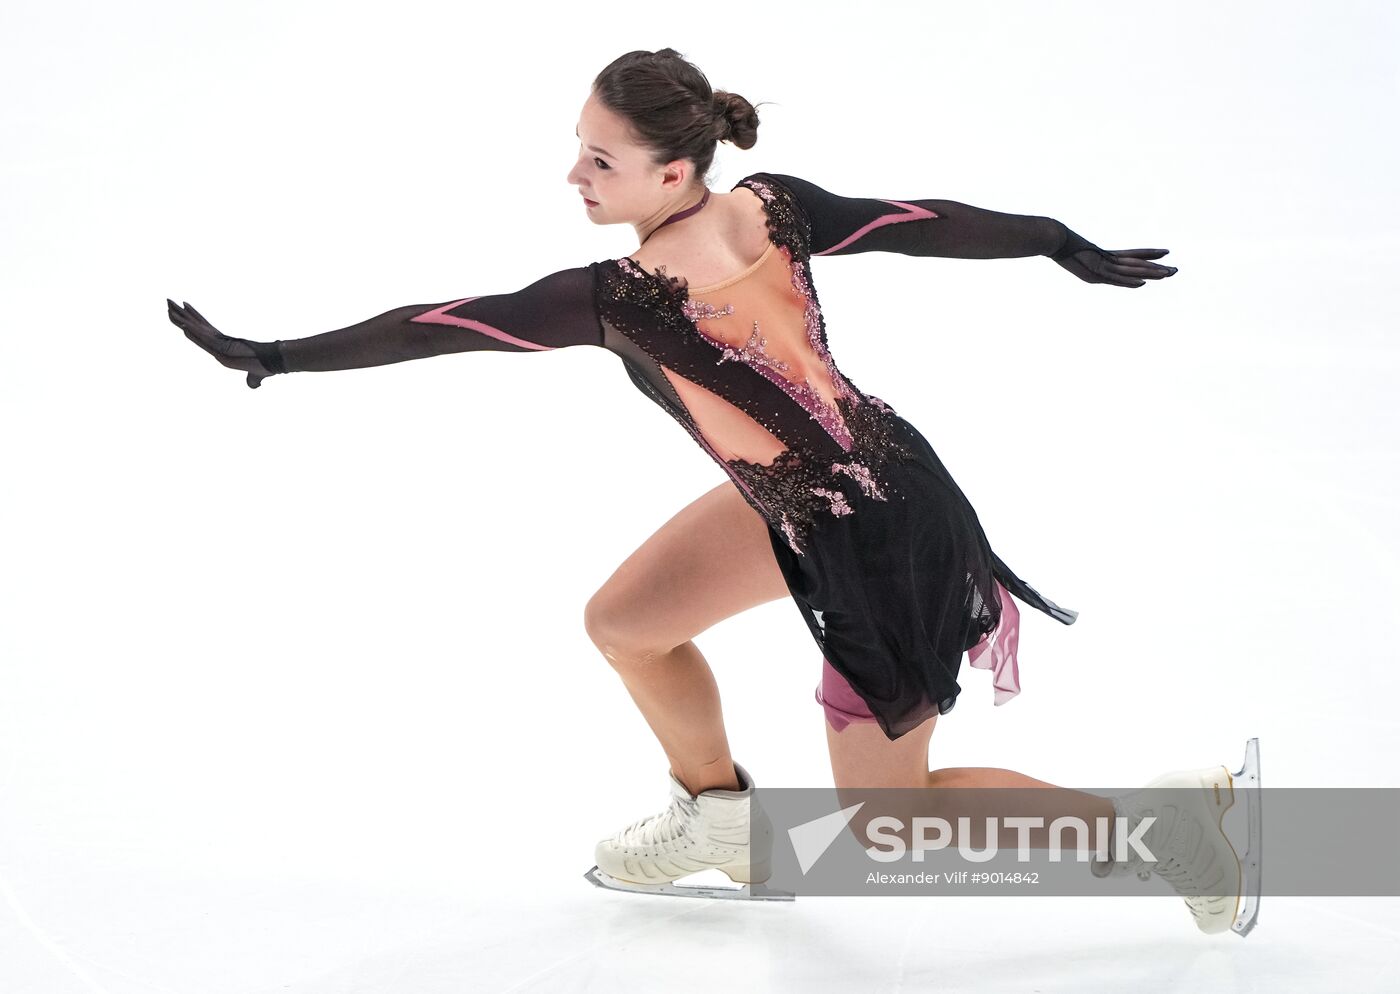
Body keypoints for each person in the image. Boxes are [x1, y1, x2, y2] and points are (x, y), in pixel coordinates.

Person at [168, 48, 1259, 936]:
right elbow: (916, 220)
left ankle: (1167, 832)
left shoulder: (625, 296)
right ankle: (720, 820)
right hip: (833, 483)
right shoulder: (773, 207)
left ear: (672, 173)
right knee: (628, 624)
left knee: (887, 825)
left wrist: (280, 354)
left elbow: (439, 327)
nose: (575, 175)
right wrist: (1052, 241)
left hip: (875, 537)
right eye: (577, 147)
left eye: (600, 159)